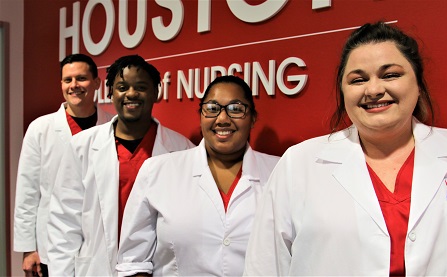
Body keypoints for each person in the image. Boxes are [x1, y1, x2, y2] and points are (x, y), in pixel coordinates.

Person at [243, 22, 447, 276]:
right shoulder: (299, 163)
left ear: (418, 85)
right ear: (343, 92)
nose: (374, 89)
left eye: (390, 75)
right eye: (358, 79)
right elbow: (265, 266)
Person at [116, 75, 279, 276]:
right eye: (212, 109)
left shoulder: (279, 172)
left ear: (253, 118)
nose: (222, 119)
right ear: (200, 115)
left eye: (236, 109)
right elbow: (133, 262)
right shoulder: (157, 171)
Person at [47, 55, 195, 276]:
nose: (131, 94)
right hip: (97, 267)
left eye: (141, 87)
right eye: (122, 87)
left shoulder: (182, 149)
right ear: (110, 93)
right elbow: (64, 222)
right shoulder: (81, 146)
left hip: (157, 268)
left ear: (156, 93)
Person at [13, 53, 113, 277]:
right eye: (68, 80)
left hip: (99, 243)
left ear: (97, 82)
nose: (74, 86)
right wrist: (28, 249)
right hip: (51, 243)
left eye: (81, 79)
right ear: (61, 84)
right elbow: (27, 191)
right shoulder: (40, 128)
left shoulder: (112, 126)